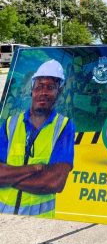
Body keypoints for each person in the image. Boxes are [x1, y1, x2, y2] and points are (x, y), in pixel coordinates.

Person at [0, 59, 75, 218]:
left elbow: (55, 182)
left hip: (38, 227)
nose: (44, 92)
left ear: (59, 92)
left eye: (51, 87)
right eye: (39, 86)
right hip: (3, 219)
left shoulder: (64, 127)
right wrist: (34, 169)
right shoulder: (9, 124)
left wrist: (7, 176)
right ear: (31, 90)